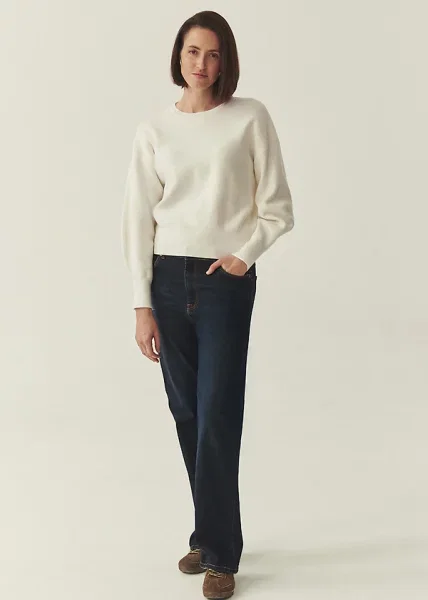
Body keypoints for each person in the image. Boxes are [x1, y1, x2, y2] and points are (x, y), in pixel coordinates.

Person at [121, 10, 294, 600]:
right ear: (178, 55)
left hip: (224, 282)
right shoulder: (154, 128)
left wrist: (244, 255)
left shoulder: (250, 117)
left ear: (226, 62)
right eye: (193, 51)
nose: (202, 63)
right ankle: (210, 531)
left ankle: (220, 554)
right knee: (188, 414)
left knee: (217, 412)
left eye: (214, 54)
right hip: (167, 282)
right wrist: (141, 303)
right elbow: (137, 219)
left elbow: (278, 207)